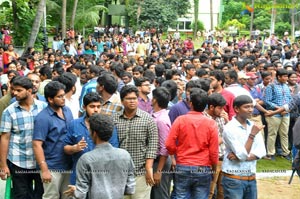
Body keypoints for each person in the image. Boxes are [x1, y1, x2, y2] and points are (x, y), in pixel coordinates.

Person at [63, 113, 135, 199]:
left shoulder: (86, 159)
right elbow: (130, 189)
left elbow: (81, 194)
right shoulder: (125, 155)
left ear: (94, 133)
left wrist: (76, 191)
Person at [165, 88, 219, 199]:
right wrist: (213, 169)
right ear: (206, 106)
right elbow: (214, 152)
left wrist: (175, 156)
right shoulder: (211, 123)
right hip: (203, 168)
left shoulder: (180, 120)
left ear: (191, 103)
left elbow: (169, 144)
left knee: (180, 196)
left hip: (183, 165)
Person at [0, 76, 47, 198]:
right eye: (13, 90)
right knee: (21, 195)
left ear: (29, 91)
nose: (15, 93)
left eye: (19, 90)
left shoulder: (43, 108)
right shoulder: (9, 112)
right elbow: (5, 138)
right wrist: (3, 165)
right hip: (18, 160)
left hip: (39, 161)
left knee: (40, 194)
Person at [64, 92, 119, 185]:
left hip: (102, 175)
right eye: (92, 106)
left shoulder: (108, 125)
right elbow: (65, 148)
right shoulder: (74, 124)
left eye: (98, 106)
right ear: (84, 107)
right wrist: (74, 148)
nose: (96, 110)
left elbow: (114, 149)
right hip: (79, 174)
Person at [113, 85, 158, 199]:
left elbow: (153, 144)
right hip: (119, 173)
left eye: (134, 98)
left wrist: (149, 168)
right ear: (122, 101)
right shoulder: (114, 119)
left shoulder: (147, 119)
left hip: (141, 172)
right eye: (128, 99)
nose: (132, 101)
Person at [33, 81, 73, 199]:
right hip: (52, 166)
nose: (63, 99)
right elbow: (36, 144)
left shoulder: (67, 111)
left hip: (68, 164)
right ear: (50, 99)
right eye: (59, 97)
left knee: (68, 195)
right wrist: (44, 169)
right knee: (51, 196)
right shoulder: (43, 118)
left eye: (63, 95)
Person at [221, 95, 266, 199]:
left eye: (251, 106)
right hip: (234, 178)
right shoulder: (229, 128)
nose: (250, 110)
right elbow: (242, 154)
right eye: (246, 107)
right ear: (236, 109)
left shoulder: (253, 125)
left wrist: (241, 157)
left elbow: (262, 151)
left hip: (251, 177)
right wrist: (252, 135)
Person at [263, 69, 292, 160]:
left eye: (287, 76)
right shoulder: (270, 86)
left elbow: (289, 99)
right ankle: (270, 153)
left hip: (285, 113)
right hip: (274, 114)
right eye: (284, 76)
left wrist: (287, 109)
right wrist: (279, 109)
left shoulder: (286, 86)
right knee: (272, 134)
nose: (286, 78)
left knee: (284, 134)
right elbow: (266, 101)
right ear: (278, 77)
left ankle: (285, 152)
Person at [203, 93, 227, 199]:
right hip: (210, 160)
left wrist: (227, 120)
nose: (222, 111)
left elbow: (230, 135)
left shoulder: (221, 118)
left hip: (224, 158)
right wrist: (224, 138)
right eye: (220, 108)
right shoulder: (203, 118)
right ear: (211, 107)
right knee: (209, 192)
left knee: (222, 192)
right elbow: (211, 142)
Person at [150, 87, 172, 199]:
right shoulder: (155, 115)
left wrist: (159, 171)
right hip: (156, 161)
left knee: (160, 194)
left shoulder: (161, 120)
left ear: (154, 100)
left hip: (160, 162)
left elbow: (164, 148)